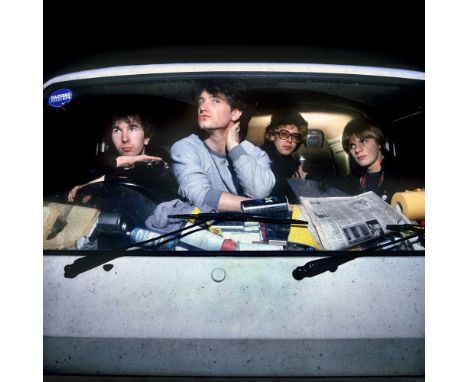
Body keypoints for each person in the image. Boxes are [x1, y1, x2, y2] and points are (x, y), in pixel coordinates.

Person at [170, 80, 275, 212]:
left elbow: (260, 192)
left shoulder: (255, 153)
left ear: (235, 113)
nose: (202, 108)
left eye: (215, 101)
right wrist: (262, 206)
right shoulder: (185, 148)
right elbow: (201, 197)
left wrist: (234, 148)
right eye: (201, 101)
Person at [67, 111, 179, 228]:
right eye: (117, 130)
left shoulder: (161, 161)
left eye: (132, 129)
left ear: (146, 138)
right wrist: (85, 186)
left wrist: (130, 161)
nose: (124, 138)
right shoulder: (103, 164)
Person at [341, 118, 410, 202]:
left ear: (379, 143)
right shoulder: (350, 182)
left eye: (363, 141)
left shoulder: (405, 175)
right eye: (352, 145)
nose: (357, 150)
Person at [261, 110, 308, 199]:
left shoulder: (291, 162)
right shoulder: (262, 158)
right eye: (284, 134)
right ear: (272, 135)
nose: (289, 140)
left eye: (294, 136)